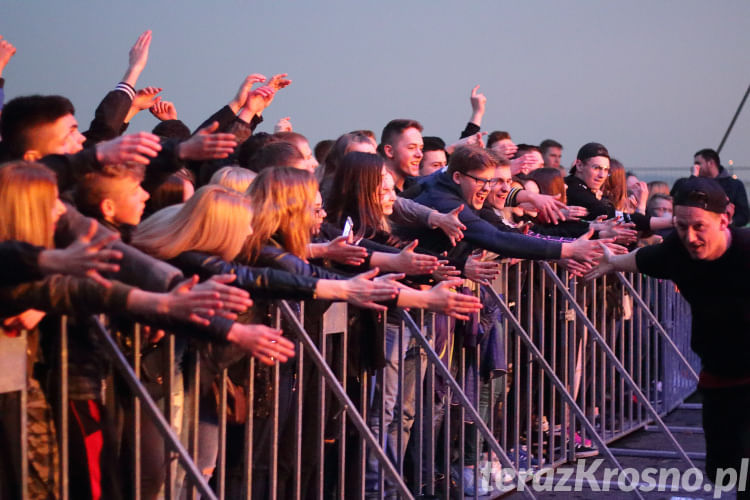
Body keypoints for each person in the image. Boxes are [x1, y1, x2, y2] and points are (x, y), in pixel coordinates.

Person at [586, 176, 750, 497]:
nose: (690, 237)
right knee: (723, 471)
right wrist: (611, 262)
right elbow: (643, 260)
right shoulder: (676, 250)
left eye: (699, 227)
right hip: (718, 376)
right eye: (680, 226)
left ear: (725, 220)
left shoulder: (746, 254)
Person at [694, 148, 749, 227]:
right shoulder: (695, 184)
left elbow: (744, 215)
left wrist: (728, 223)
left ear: (710, 163)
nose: (695, 167)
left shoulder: (735, 185)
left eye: (698, 163)